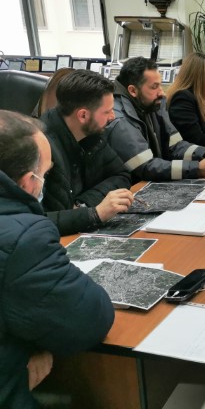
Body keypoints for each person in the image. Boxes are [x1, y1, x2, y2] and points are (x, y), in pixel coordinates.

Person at [0, 110, 114, 408]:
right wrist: (21, 358)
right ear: (28, 182)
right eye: (46, 175)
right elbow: (90, 320)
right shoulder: (25, 237)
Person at [40, 70, 133, 236]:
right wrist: (95, 214)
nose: (113, 117)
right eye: (107, 111)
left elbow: (121, 175)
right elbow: (34, 221)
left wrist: (83, 205)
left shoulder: (91, 134)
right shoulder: (41, 148)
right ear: (83, 115)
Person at [105, 57, 205, 182]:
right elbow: (146, 166)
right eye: (154, 87)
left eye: (160, 85)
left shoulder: (152, 104)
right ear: (133, 90)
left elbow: (174, 145)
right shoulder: (119, 119)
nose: (162, 93)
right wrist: (196, 168)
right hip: (133, 188)